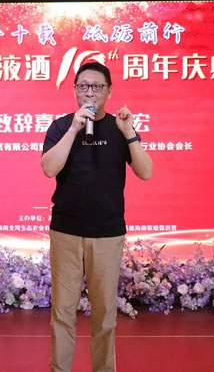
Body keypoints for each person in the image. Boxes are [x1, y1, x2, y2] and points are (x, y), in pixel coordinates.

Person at [41, 61, 153, 372]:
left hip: (107, 232)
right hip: (66, 231)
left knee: (104, 314)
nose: (90, 92)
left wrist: (130, 133)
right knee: (62, 312)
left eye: (97, 87)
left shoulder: (120, 127)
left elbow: (146, 172)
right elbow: (49, 168)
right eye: (83, 86)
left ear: (109, 91)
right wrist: (74, 129)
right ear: (75, 90)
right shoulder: (61, 126)